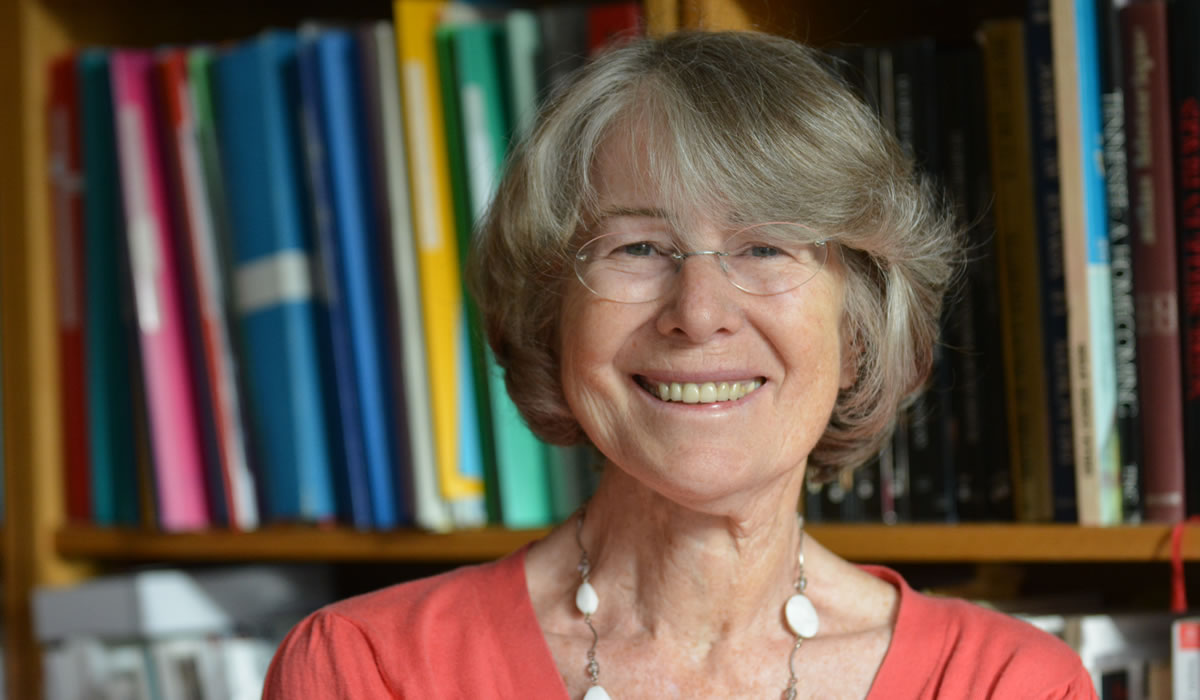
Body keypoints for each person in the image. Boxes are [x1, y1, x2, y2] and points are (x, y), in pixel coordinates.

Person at [263, 30, 1096, 699]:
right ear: (554, 318)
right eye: (638, 247)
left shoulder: (1007, 685)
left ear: (858, 335)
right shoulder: (367, 669)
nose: (698, 313)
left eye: (765, 246)